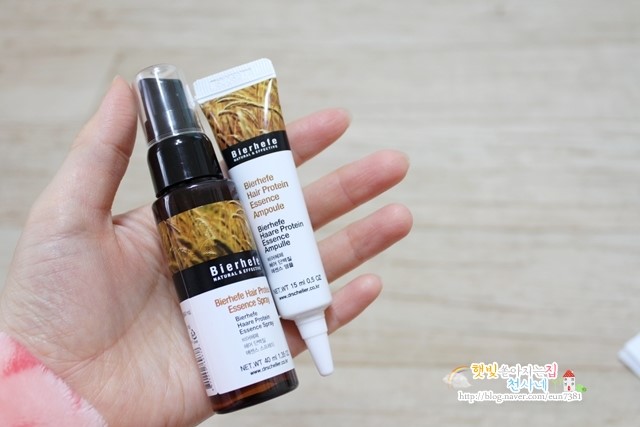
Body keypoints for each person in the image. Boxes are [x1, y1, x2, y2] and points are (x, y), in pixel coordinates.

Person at [0, 77, 413, 426]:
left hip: (250, 333)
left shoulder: (217, 192)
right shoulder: (170, 205)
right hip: (210, 366)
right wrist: (53, 366)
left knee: (240, 269)